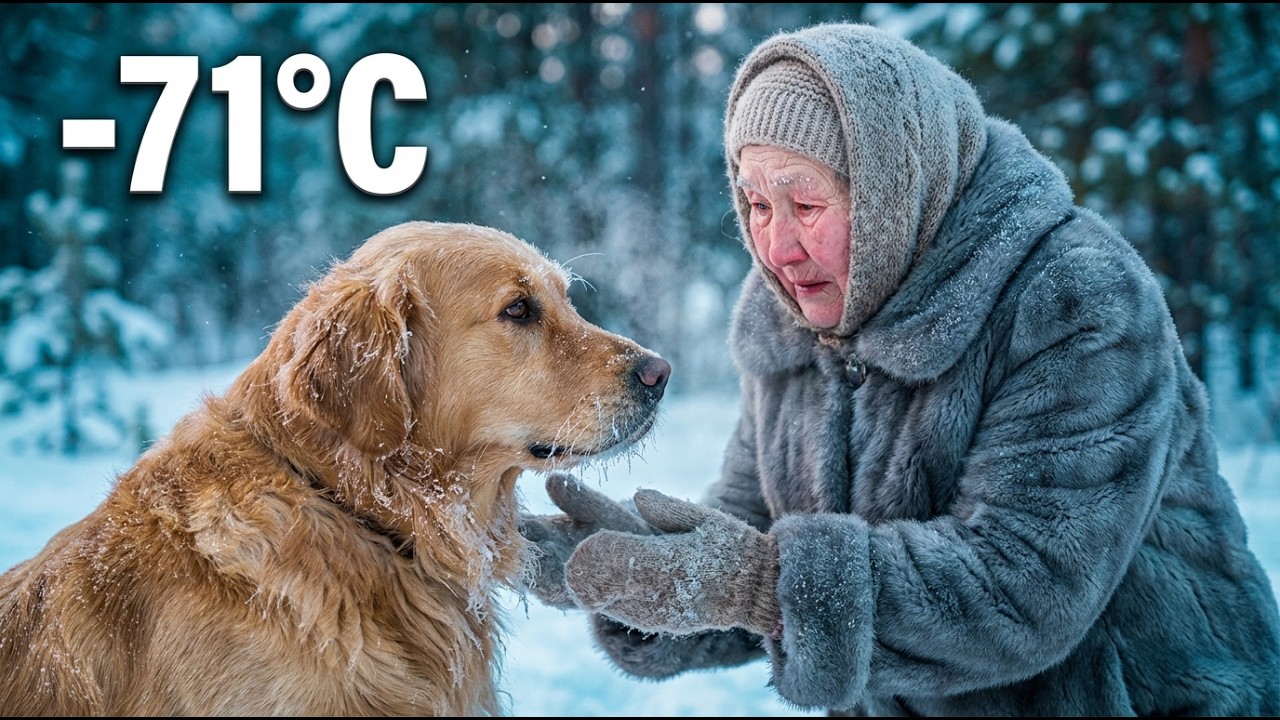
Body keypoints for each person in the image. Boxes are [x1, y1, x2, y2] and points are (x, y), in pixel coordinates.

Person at [517, 22, 1280, 716]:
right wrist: (646, 578)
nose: (776, 248)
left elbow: (1023, 587)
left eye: (805, 204)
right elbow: (758, 534)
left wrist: (756, 582)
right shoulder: (792, 318)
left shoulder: (1073, 295)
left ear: (891, 188)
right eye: (754, 204)